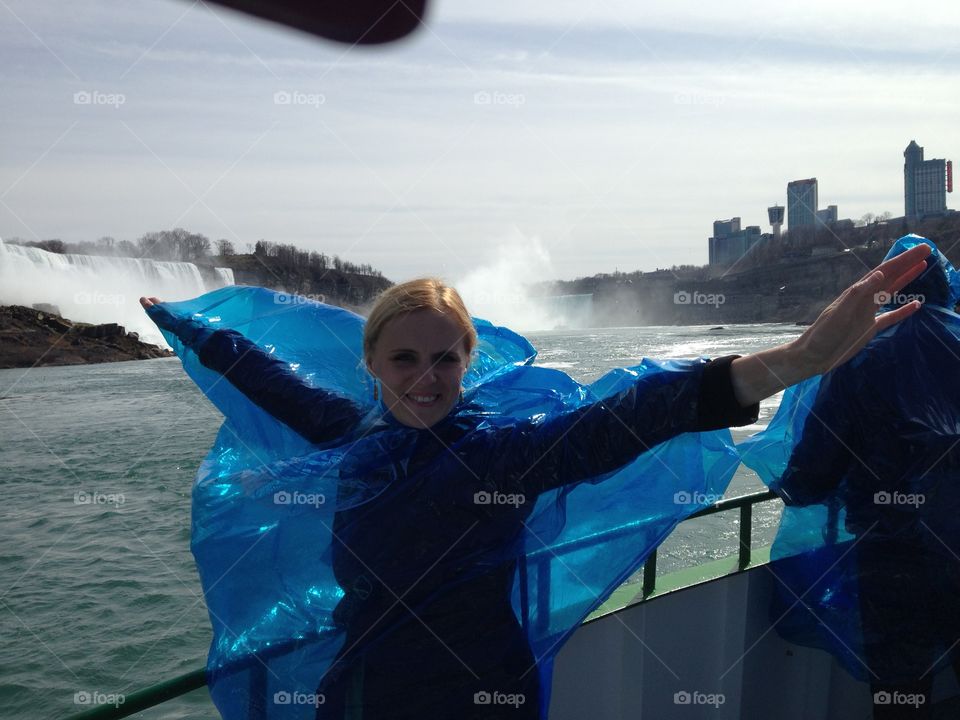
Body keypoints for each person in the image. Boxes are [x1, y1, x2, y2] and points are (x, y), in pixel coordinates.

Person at [140, 242, 929, 720]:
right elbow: (270, 380)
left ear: (468, 361)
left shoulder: (501, 457)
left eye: (446, 357)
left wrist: (793, 363)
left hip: (474, 696)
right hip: (363, 694)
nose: (427, 377)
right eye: (405, 359)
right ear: (372, 363)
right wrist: (187, 326)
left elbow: (631, 415)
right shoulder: (355, 441)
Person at [757, 236, 960, 720]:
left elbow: (817, 464)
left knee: (901, 684)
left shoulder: (861, 354)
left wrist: (794, 486)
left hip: (894, 553)